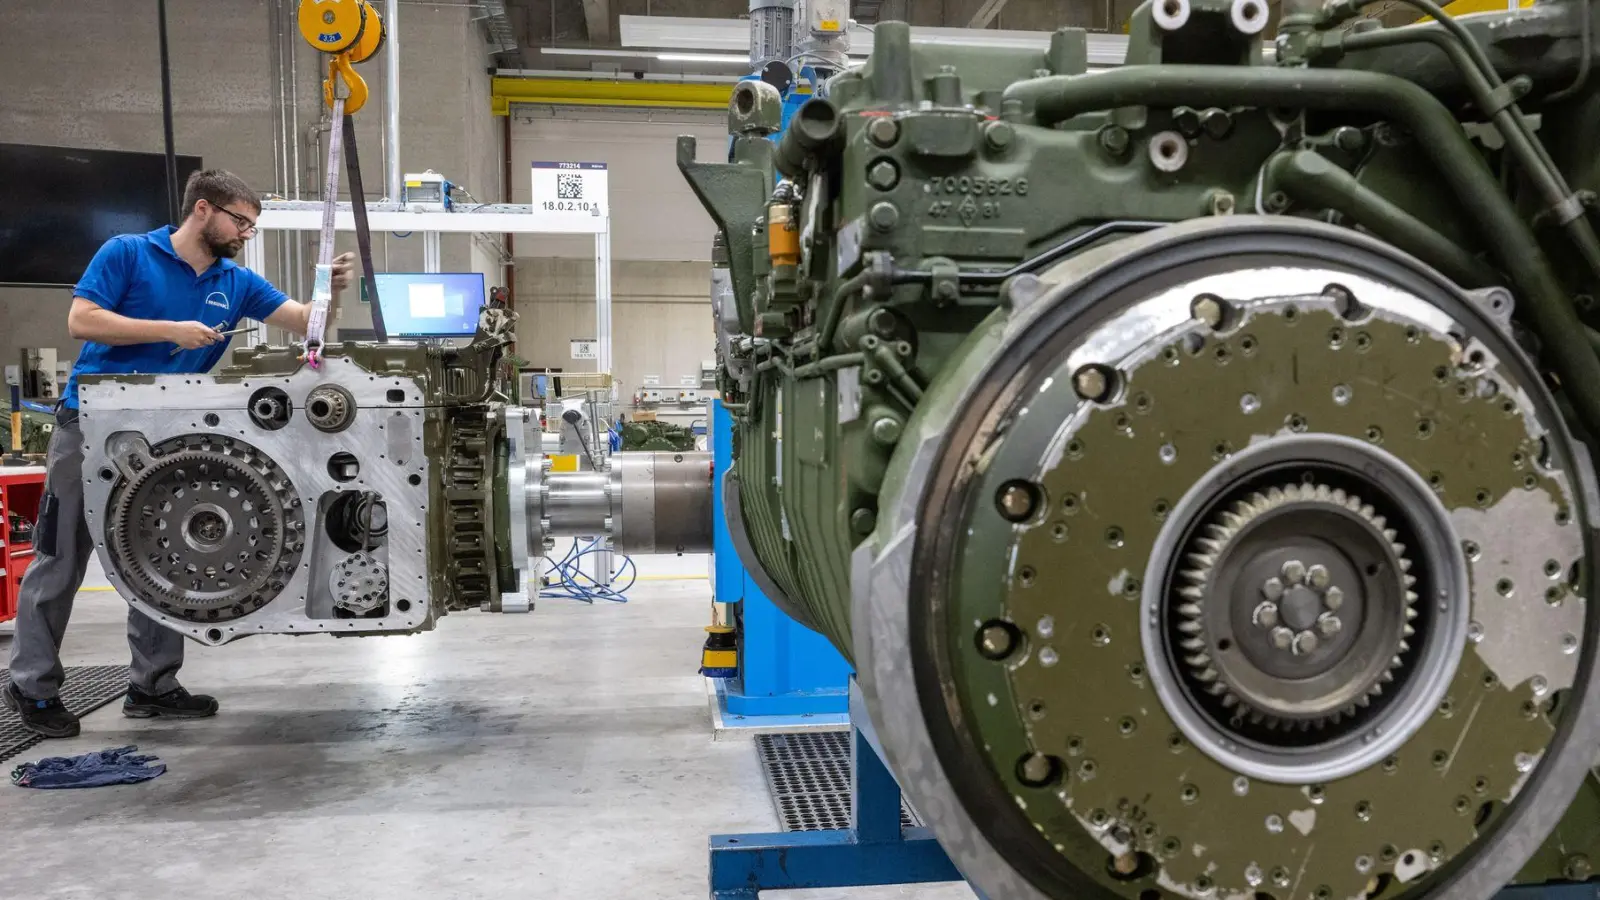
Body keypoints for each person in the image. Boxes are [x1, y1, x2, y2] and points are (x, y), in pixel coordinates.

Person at [3, 170, 355, 738]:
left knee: (158, 554)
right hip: (93, 423)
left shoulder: (234, 281)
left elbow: (302, 323)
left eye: (251, 225)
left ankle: (153, 685)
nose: (246, 232)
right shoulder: (127, 254)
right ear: (203, 210)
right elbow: (81, 320)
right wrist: (171, 330)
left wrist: (330, 295)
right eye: (239, 221)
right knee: (62, 554)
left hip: (170, 431)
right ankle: (33, 686)